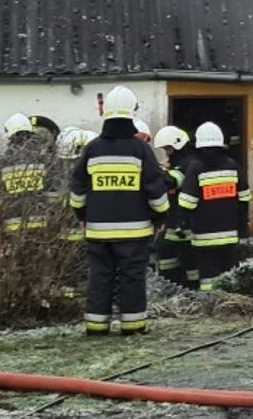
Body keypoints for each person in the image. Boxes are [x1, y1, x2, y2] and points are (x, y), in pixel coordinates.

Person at [69, 86, 172, 336]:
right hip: (135, 232)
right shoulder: (140, 150)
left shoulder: (92, 149)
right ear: (131, 114)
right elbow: (155, 191)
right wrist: (160, 217)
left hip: (98, 232)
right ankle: (133, 326)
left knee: (100, 277)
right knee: (132, 277)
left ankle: (96, 326)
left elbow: (77, 190)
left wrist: (82, 216)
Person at [176, 123, 249, 291]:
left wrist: (182, 223)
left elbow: (187, 201)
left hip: (204, 236)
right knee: (229, 272)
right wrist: (243, 224)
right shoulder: (232, 165)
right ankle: (230, 302)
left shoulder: (196, 167)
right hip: (230, 234)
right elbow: (244, 197)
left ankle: (211, 304)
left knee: (208, 276)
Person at [0, 114, 62, 237]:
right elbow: (55, 194)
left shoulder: (2, 162)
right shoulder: (45, 159)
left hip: (13, 226)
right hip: (43, 223)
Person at [150, 126, 195, 288]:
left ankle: (192, 291)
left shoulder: (189, 163)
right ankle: (172, 286)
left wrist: (154, 170)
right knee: (166, 257)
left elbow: (173, 181)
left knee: (189, 260)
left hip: (186, 222)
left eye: (168, 148)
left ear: (179, 144)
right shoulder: (173, 163)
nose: (167, 152)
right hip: (172, 220)